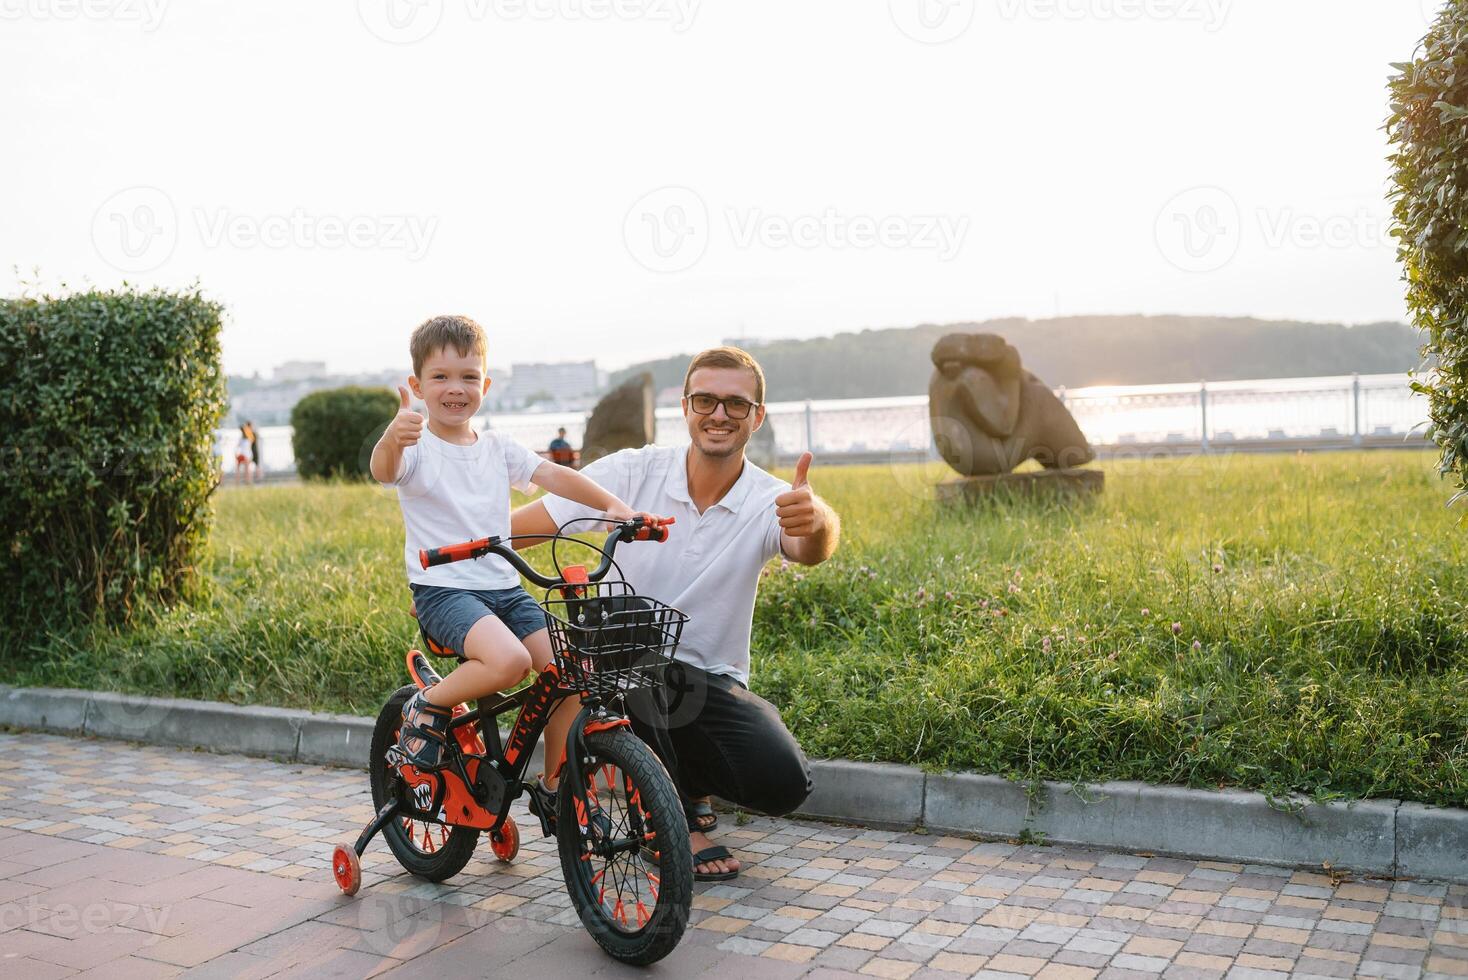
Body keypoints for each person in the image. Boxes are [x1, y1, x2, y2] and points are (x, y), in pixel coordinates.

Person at [511, 346, 840, 880]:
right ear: (685, 408)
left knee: (783, 782)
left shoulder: (769, 499)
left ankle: (679, 779)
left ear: (756, 417)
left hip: (707, 680)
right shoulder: (631, 471)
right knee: (638, 661)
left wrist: (817, 517)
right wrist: (451, 571)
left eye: (736, 404)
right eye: (705, 400)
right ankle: (673, 817)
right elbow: (532, 524)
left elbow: (810, 548)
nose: (719, 414)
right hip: (622, 668)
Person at [369, 315, 662, 816]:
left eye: (467, 377)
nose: (455, 389)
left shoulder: (498, 448)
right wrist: (394, 437)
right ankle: (429, 705)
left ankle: (555, 785)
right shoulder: (415, 446)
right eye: (440, 378)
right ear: (418, 386)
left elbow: (555, 475)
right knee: (509, 664)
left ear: (485, 384)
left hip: (503, 588)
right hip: (444, 590)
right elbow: (384, 470)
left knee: (573, 670)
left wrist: (616, 508)